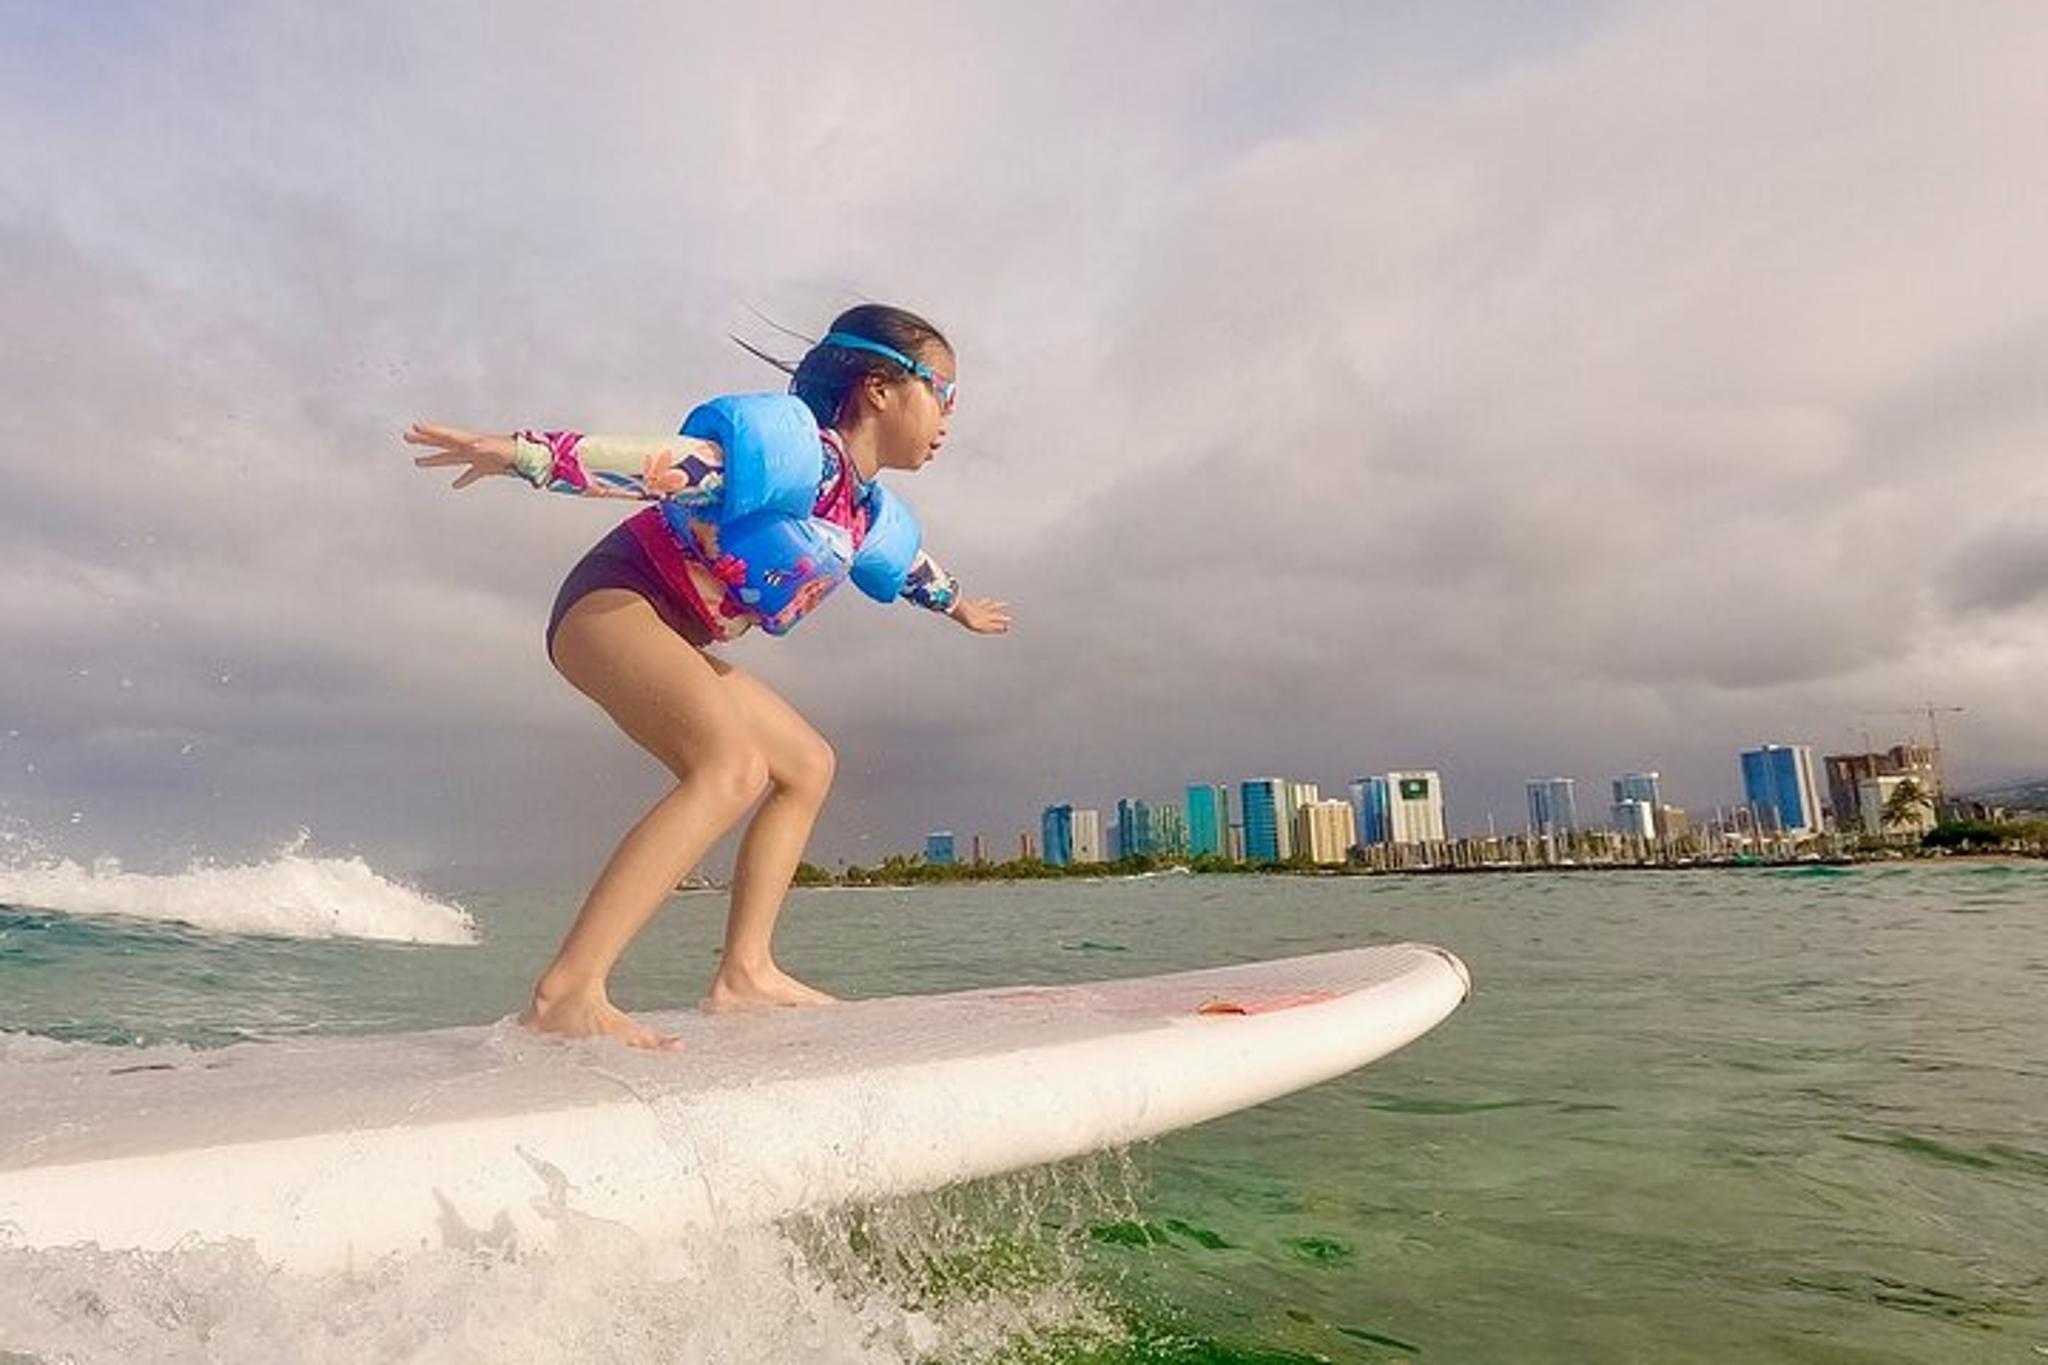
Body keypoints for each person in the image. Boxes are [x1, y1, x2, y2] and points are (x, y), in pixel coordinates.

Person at [407, 305, 1010, 1050]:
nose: (950, 416)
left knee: (807, 763)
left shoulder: (859, 509)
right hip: (613, 602)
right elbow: (662, 467)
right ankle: (567, 991)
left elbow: (910, 570)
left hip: (670, 630)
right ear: (882, 388)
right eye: (943, 391)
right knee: (730, 765)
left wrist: (958, 609)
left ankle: (745, 973)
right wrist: (526, 455)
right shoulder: (799, 460)